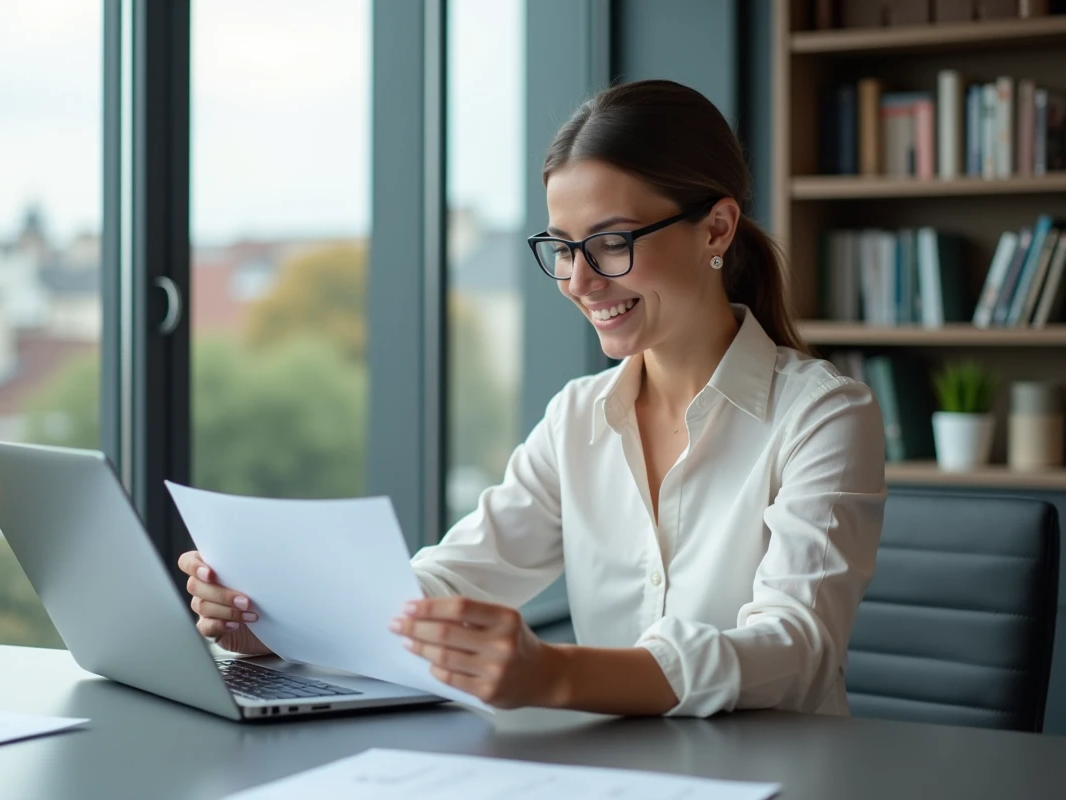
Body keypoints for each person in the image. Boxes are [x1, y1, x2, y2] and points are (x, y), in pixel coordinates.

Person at [178, 79, 886, 717]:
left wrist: (554, 676)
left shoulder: (823, 416)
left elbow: (794, 650)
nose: (579, 280)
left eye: (611, 243)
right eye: (562, 247)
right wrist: (272, 620)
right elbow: (454, 578)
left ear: (717, 228)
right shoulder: (578, 418)